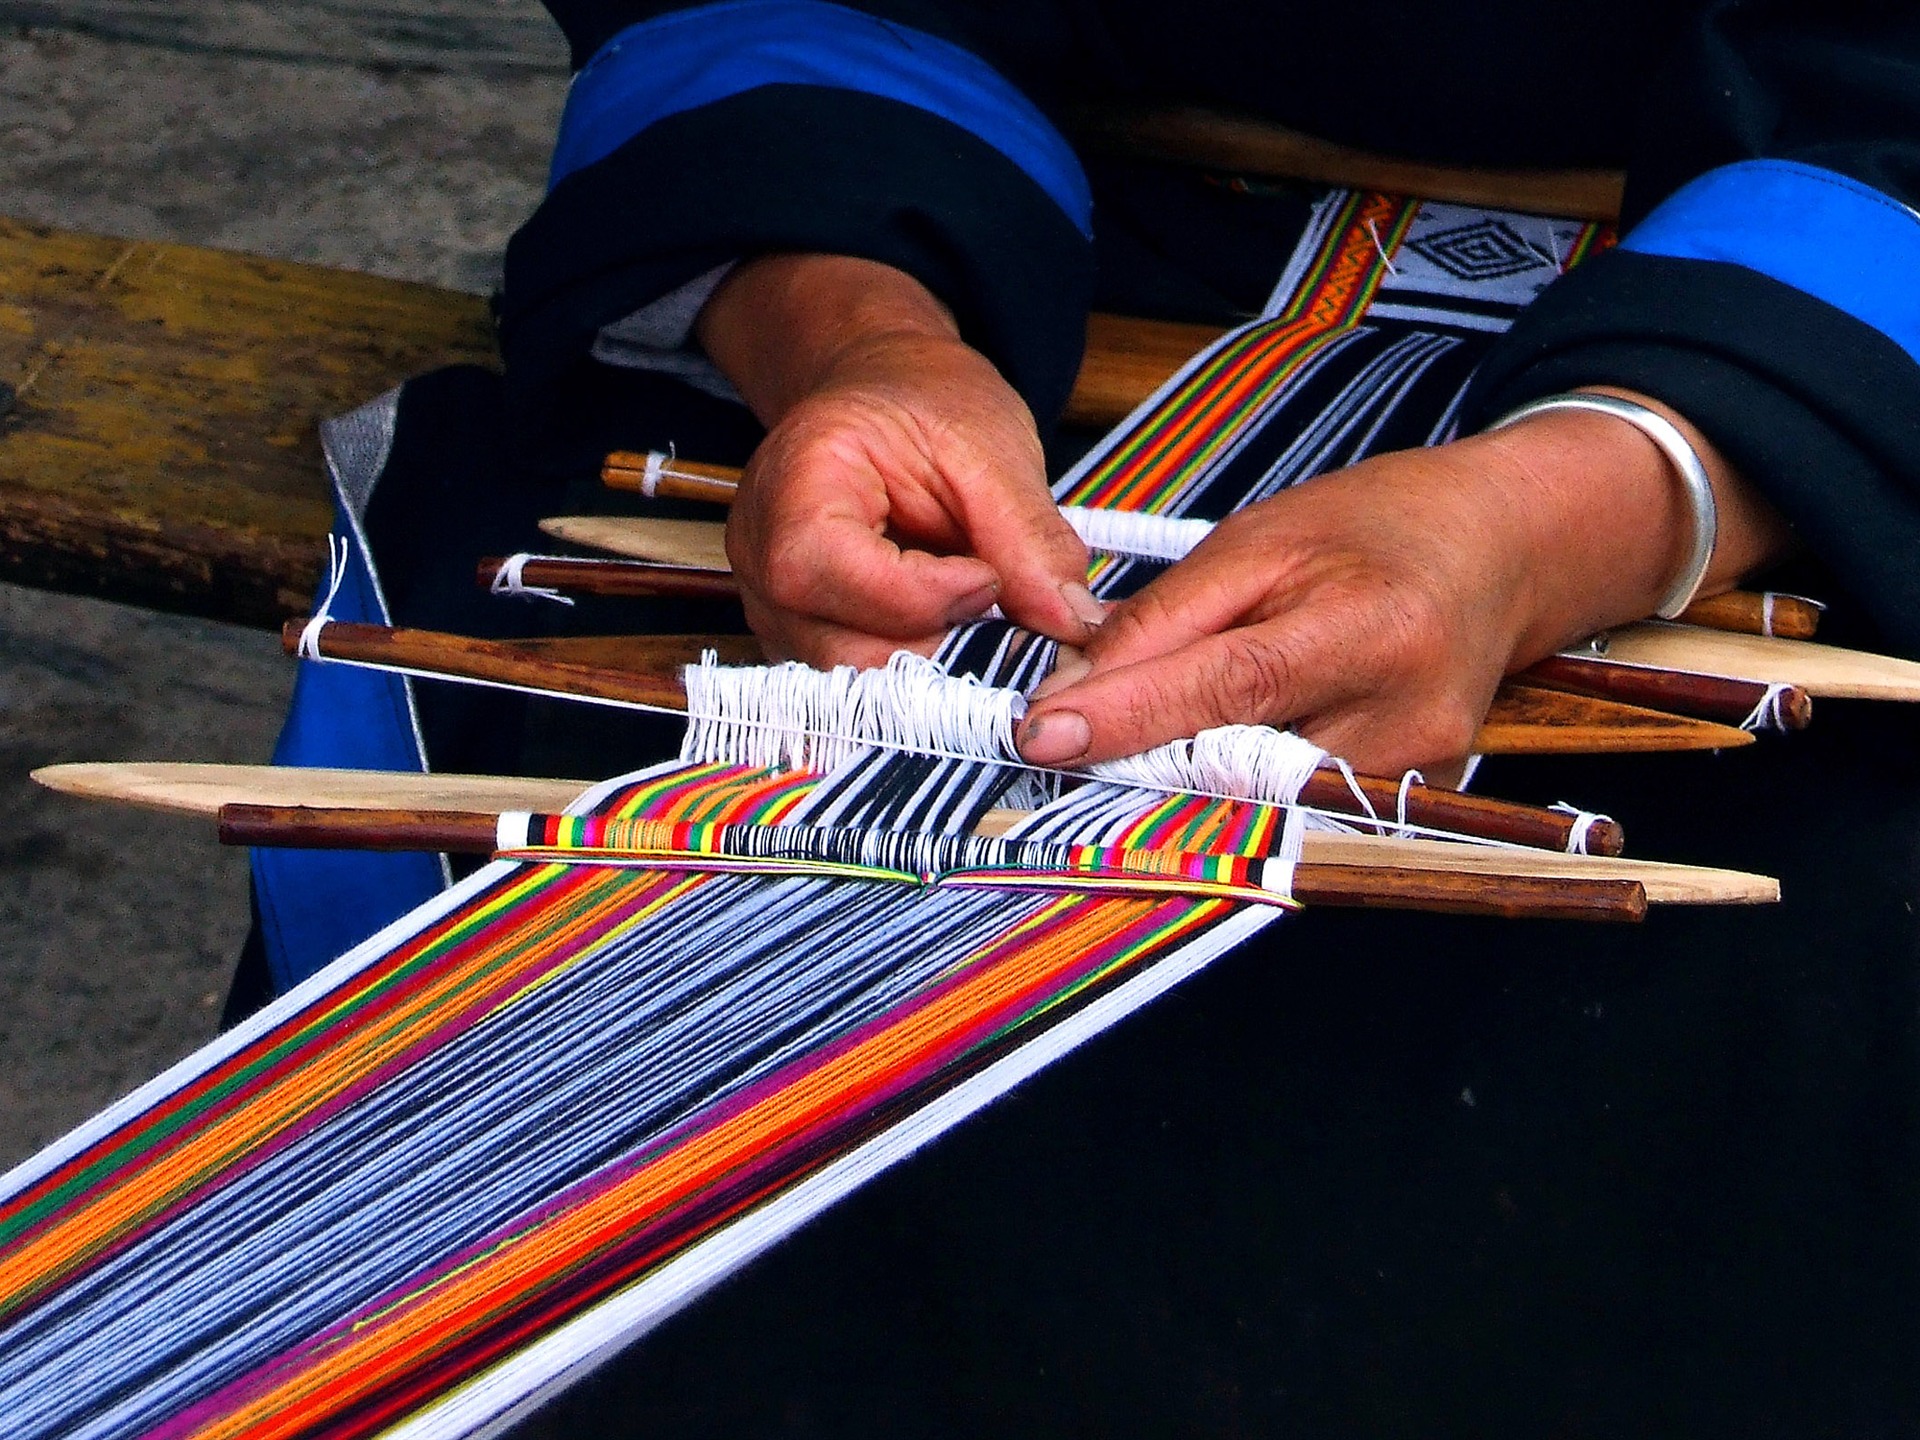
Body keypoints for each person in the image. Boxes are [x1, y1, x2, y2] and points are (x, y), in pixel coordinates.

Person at [234, 1, 1920, 1431]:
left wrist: (1574, 512)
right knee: (581, 835)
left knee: (1762, 967)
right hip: (970, 226)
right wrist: (861, 344)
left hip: (1804, 335)